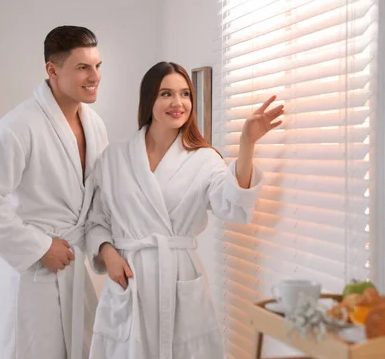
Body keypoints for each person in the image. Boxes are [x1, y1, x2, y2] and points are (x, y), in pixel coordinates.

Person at [84, 61, 284, 358]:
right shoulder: (114, 158)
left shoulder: (203, 159)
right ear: (149, 99)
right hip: (131, 278)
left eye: (185, 94)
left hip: (178, 275)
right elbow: (95, 219)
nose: (178, 103)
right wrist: (108, 253)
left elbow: (232, 204)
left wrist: (246, 143)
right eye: (166, 94)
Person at [0, 26, 108, 359]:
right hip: (32, 277)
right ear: (52, 70)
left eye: (98, 66)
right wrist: (40, 247)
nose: (94, 75)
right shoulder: (18, 126)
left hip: (72, 267)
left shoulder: (94, 124)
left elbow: (100, 197)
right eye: (83, 67)